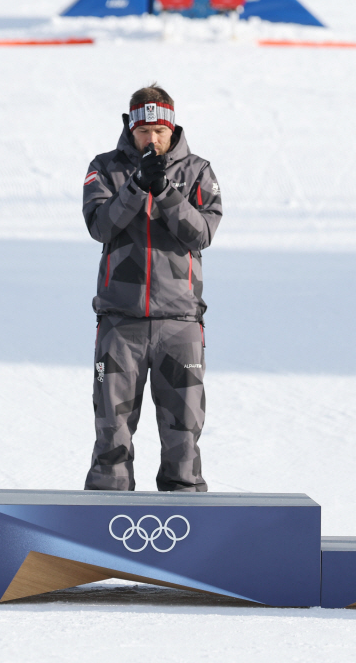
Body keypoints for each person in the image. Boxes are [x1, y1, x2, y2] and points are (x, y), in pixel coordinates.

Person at [82, 85, 223, 492]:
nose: (152, 139)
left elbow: (201, 233)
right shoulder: (105, 168)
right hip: (120, 322)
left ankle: (184, 530)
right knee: (112, 435)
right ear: (131, 128)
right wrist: (136, 186)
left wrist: (164, 190)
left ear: (172, 127)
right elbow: (101, 226)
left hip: (179, 324)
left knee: (183, 436)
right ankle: (103, 530)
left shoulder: (197, 171)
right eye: (144, 132)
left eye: (160, 130)